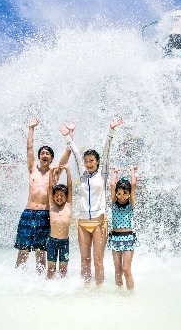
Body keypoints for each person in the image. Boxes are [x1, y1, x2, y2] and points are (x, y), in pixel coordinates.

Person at [60, 118, 123, 284]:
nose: (88, 164)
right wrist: (67, 137)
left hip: (98, 223)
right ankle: (86, 290)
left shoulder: (102, 175)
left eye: (91, 161)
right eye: (86, 161)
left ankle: (99, 291)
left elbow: (106, 150)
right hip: (82, 223)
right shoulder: (82, 174)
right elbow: (74, 153)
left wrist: (111, 131)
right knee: (85, 260)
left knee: (98, 260)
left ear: (97, 162)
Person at [14, 118, 69, 273]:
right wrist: (31, 128)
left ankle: (40, 281)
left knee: (41, 251)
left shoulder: (54, 172)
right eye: (42, 153)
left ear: (51, 158)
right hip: (28, 213)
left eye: (48, 153)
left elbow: (67, 153)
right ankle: (19, 278)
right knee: (22, 249)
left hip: (45, 214)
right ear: (39, 157)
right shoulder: (32, 169)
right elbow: (29, 148)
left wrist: (69, 134)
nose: (44, 155)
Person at [109, 166, 138, 290]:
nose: (122, 196)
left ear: (129, 193)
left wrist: (131, 170)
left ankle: (131, 295)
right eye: (119, 193)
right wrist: (115, 173)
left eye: (125, 193)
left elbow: (133, 183)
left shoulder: (131, 202)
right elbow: (111, 184)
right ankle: (119, 295)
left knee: (126, 269)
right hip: (115, 238)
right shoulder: (114, 202)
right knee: (118, 270)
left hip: (128, 238)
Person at [46, 164, 73, 279]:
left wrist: (67, 170)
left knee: (63, 269)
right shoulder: (52, 205)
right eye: (57, 195)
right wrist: (51, 171)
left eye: (62, 195)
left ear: (66, 197)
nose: (59, 197)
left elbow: (70, 187)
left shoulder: (68, 205)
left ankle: (62, 289)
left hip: (64, 243)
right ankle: (49, 288)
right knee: (51, 269)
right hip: (52, 242)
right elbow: (50, 187)